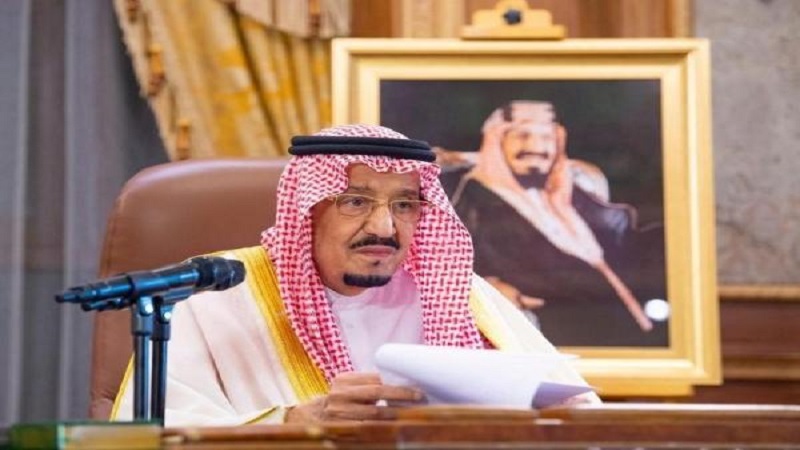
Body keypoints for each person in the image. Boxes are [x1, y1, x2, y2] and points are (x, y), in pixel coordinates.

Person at [111, 124, 595, 426]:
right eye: (355, 202)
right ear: (307, 211)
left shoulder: (457, 294)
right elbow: (150, 432)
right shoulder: (219, 293)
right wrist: (291, 424)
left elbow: (576, 408)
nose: (384, 227)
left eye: (405, 205)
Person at [448, 101, 668, 347]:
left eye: (546, 137)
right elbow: (454, 273)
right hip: (551, 341)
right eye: (522, 135)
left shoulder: (570, 191)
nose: (536, 147)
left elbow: (625, 242)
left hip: (628, 337)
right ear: (497, 142)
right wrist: (487, 290)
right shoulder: (476, 203)